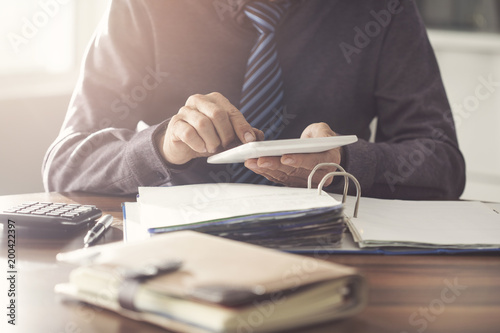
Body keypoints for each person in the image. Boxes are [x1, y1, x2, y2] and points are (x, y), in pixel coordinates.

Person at [42, 0, 466, 200]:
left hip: (334, 250)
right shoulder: (143, 6)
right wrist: (162, 146)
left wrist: (345, 163)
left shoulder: (383, 10)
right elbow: (65, 164)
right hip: (177, 251)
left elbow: (443, 163)